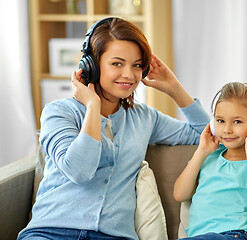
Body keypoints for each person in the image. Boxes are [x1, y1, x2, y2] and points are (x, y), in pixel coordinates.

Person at [18, 17, 209, 240]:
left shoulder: (144, 118)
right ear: (91, 65)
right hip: (50, 232)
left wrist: (174, 88)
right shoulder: (58, 113)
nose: (129, 75)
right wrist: (93, 107)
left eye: (137, 65)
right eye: (117, 63)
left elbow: (205, 134)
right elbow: (79, 171)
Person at [173, 82, 247, 240]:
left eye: (237, 122)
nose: (227, 129)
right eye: (220, 121)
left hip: (235, 235)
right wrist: (201, 151)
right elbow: (179, 194)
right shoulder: (209, 157)